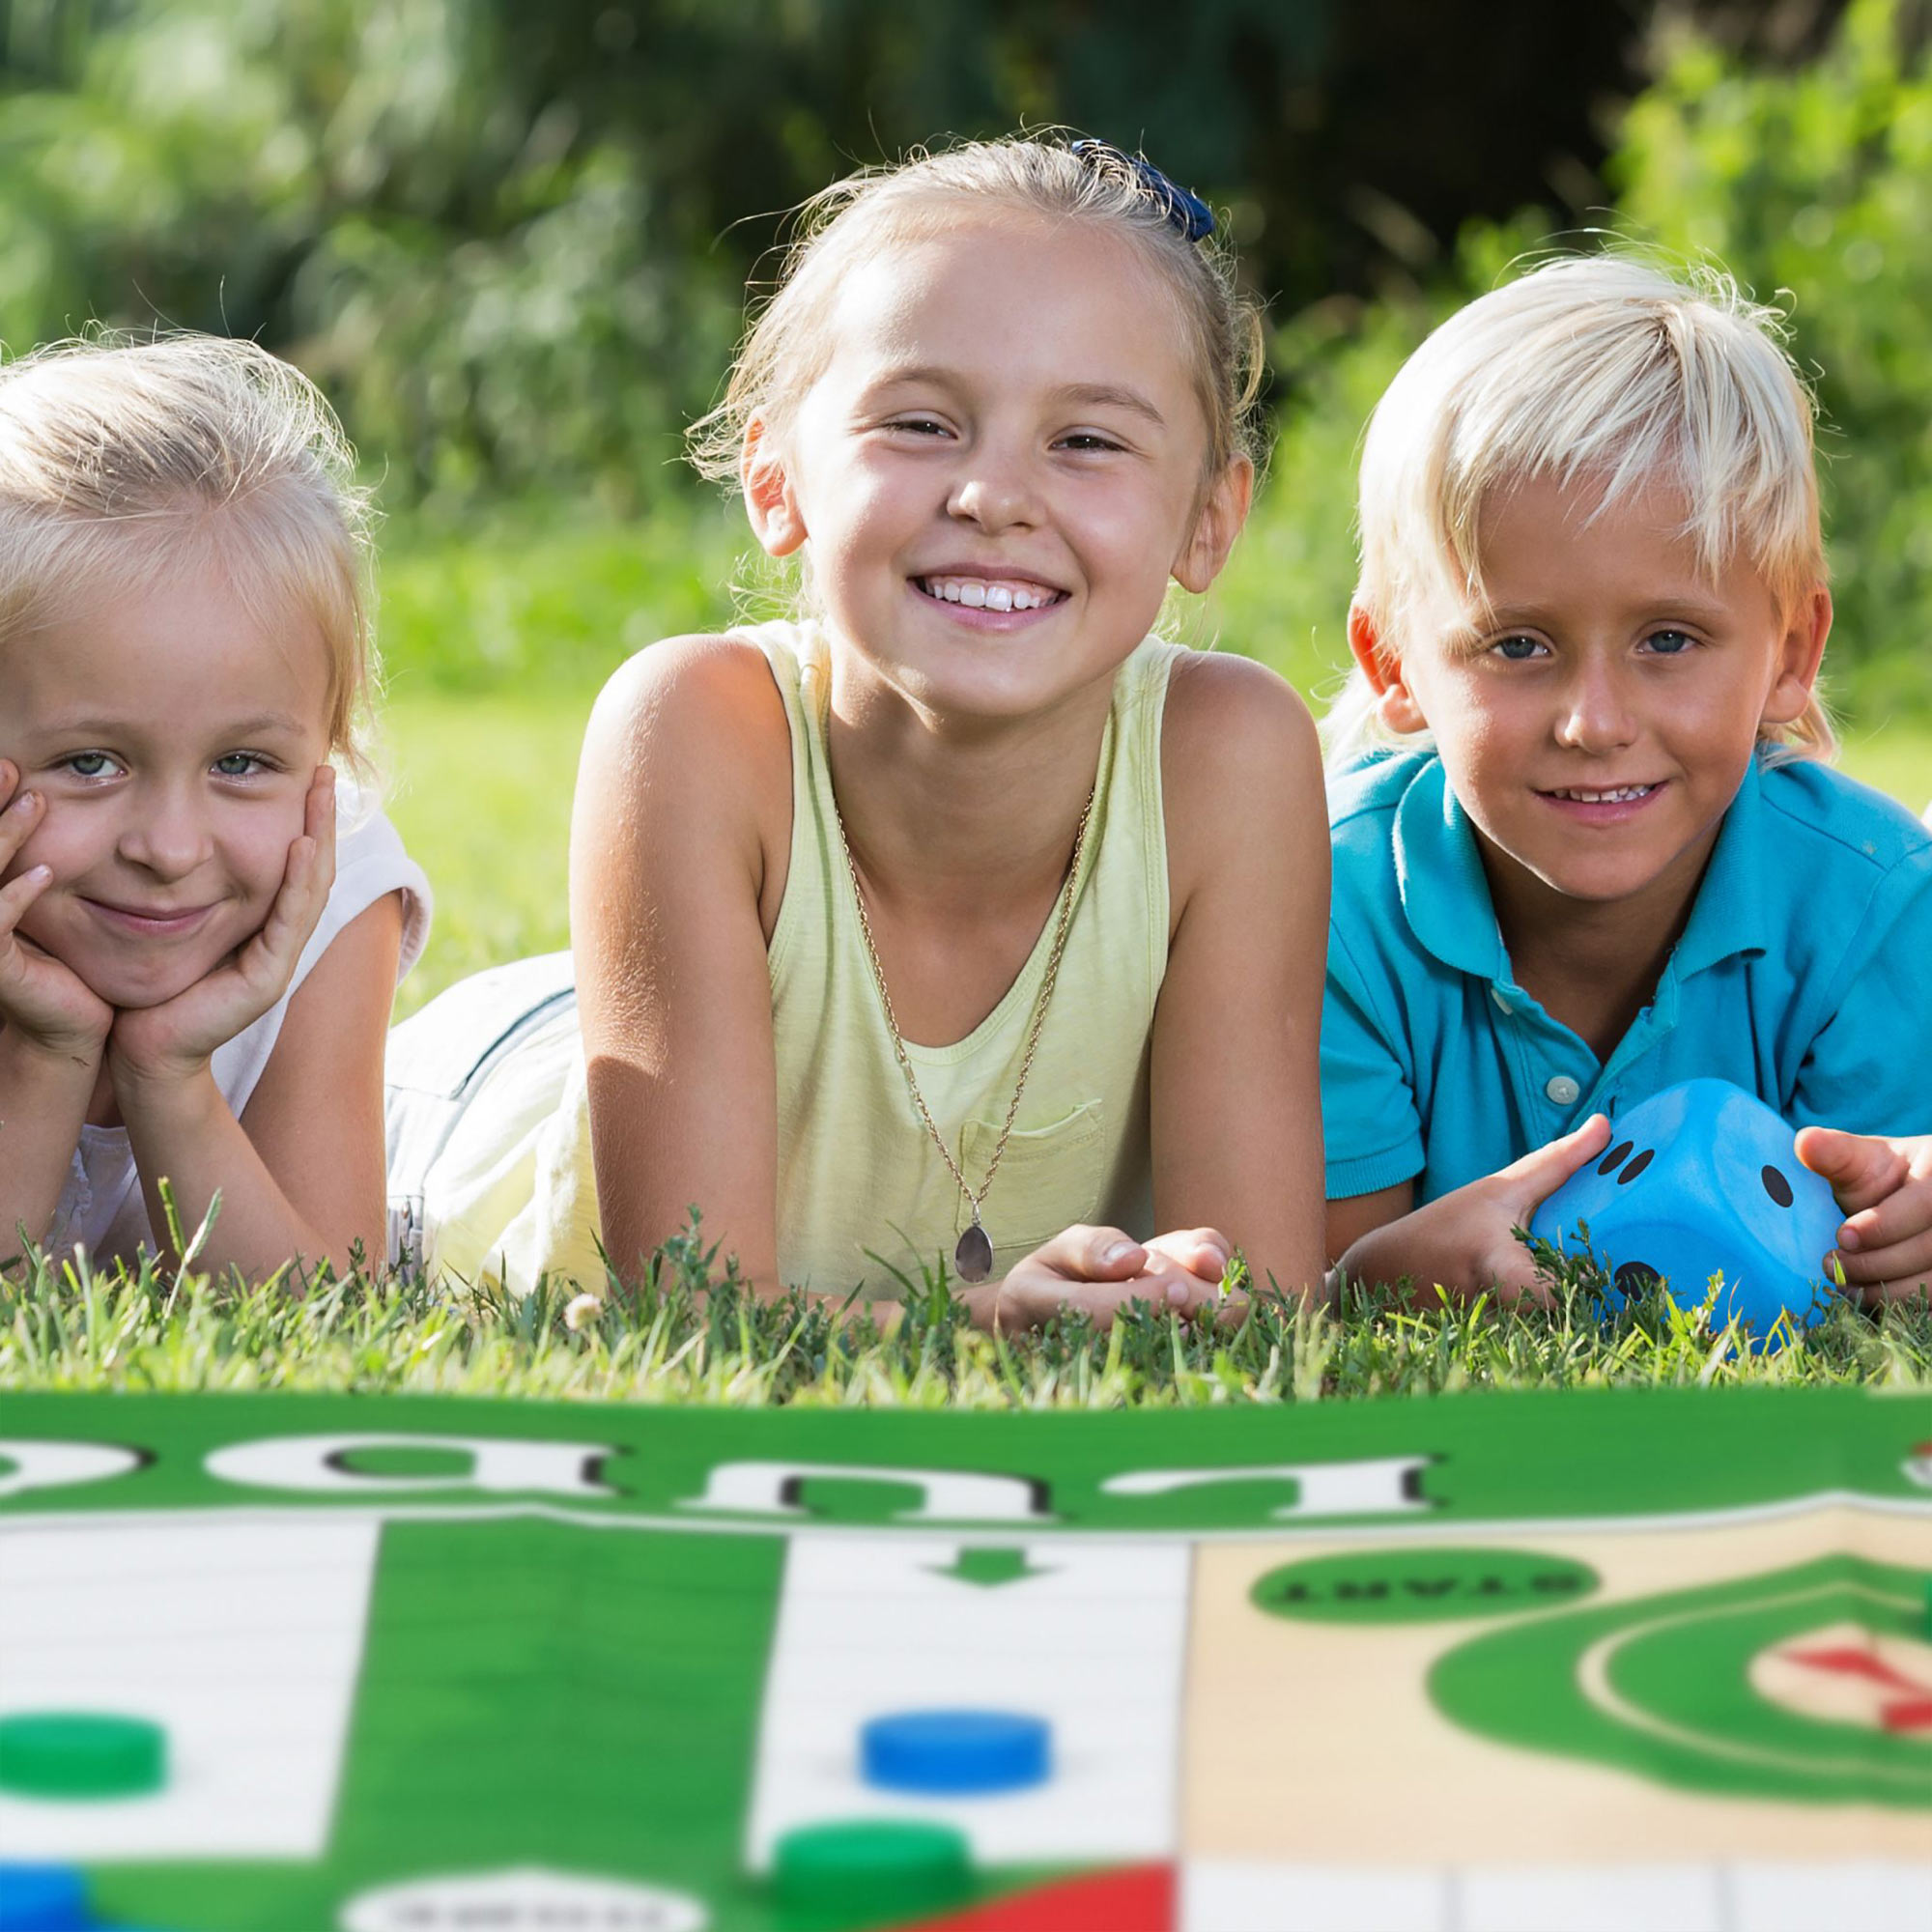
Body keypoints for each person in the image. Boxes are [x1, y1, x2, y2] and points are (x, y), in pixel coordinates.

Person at [386, 135, 1329, 1325]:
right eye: (921, 423)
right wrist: (994, 1328)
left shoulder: (1229, 754)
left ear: (1209, 516)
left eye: (1086, 440)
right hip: (466, 1116)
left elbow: (1253, 1300)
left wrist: (1195, 1299)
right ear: (775, 478)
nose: (992, 494)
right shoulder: (693, 727)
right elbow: (693, 1309)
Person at [1319, 256, 1932, 1304]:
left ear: (1790, 650)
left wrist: (1899, 1229)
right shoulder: (1329, 905)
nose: (1593, 723)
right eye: (1515, 645)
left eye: (1667, 638)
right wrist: (1378, 1276)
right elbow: (1304, 1285)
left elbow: (1867, 1278)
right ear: (1392, 665)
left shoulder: (1872, 907)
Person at [0, 336, 430, 1279]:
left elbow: (323, 1322)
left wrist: (169, 1075)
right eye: (90, 762)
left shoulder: (333, 879)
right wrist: (45, 1055)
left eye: (240, 761)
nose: (170, 846)